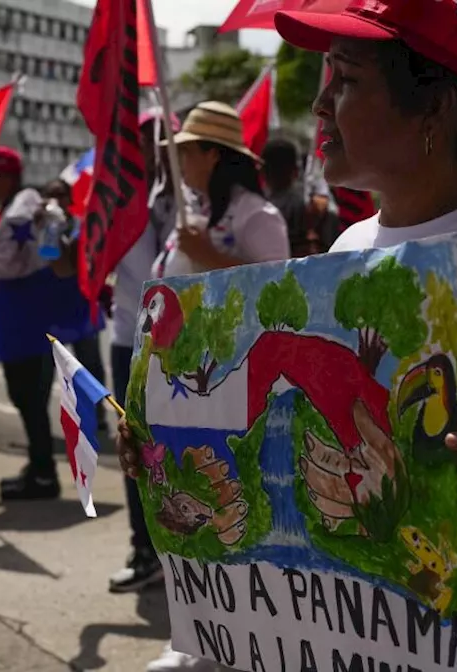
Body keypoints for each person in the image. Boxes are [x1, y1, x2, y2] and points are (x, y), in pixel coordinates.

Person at [127, 3, 457, 670]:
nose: (322, 104)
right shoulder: (350, 246)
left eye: (348, 81)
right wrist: (169, 453)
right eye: (324, 80)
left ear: (436, 109)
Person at [142, 101, 292, 671]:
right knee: (183, 512)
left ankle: (235, 644)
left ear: (210, 154)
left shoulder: (260, 217)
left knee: (235, 514)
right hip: (178, 395)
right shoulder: (193, 215)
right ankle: (198, 634)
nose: (175, 160)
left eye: (184, 150)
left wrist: (213, 257)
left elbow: (277, 304)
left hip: (234, 402)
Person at [0, 148, 105, 501]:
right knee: (27, 396)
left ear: (6, 177)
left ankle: (43, 474)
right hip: (21, 321)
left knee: (29, 396)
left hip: (25, 322)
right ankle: (38, 464)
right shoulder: (10, 210)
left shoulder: (20, 211)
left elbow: (9, 264)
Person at [108, 113, 176, 594]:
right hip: (126, 341)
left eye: (155, 142)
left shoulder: (182, 204)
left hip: (171, 345)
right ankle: (144, 549)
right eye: (138, 143)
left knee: (174, 455)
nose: (146, 152)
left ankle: (177, 555)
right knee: (135, 452)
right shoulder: (124, 200)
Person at [152, 101, 291, 278]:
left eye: (186, 151)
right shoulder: (197, 208)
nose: (180, 161)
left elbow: (277, 283)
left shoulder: (256, 214)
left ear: (212, 155)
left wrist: (208, 256)